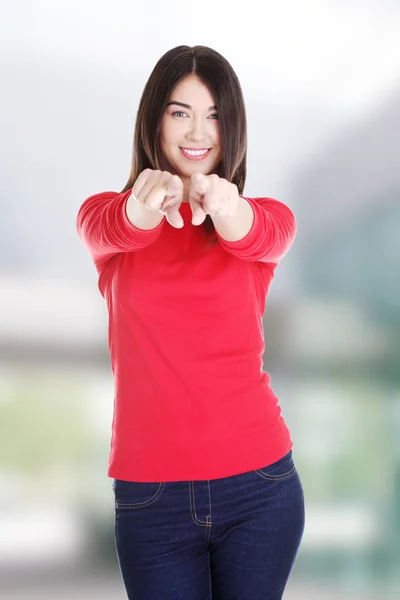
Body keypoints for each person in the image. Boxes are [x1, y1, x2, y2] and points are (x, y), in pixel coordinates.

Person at [77, 44, 305, 600]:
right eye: (180, 111)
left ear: (233, 129)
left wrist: (224, 204)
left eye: (214, 115)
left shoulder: (264, 220)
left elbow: (257, 233)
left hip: (261, 489)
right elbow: (114, 228)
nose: (198, 130)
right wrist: (144, 204)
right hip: (151, 500)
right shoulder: (106, 217)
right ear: (154, 119)